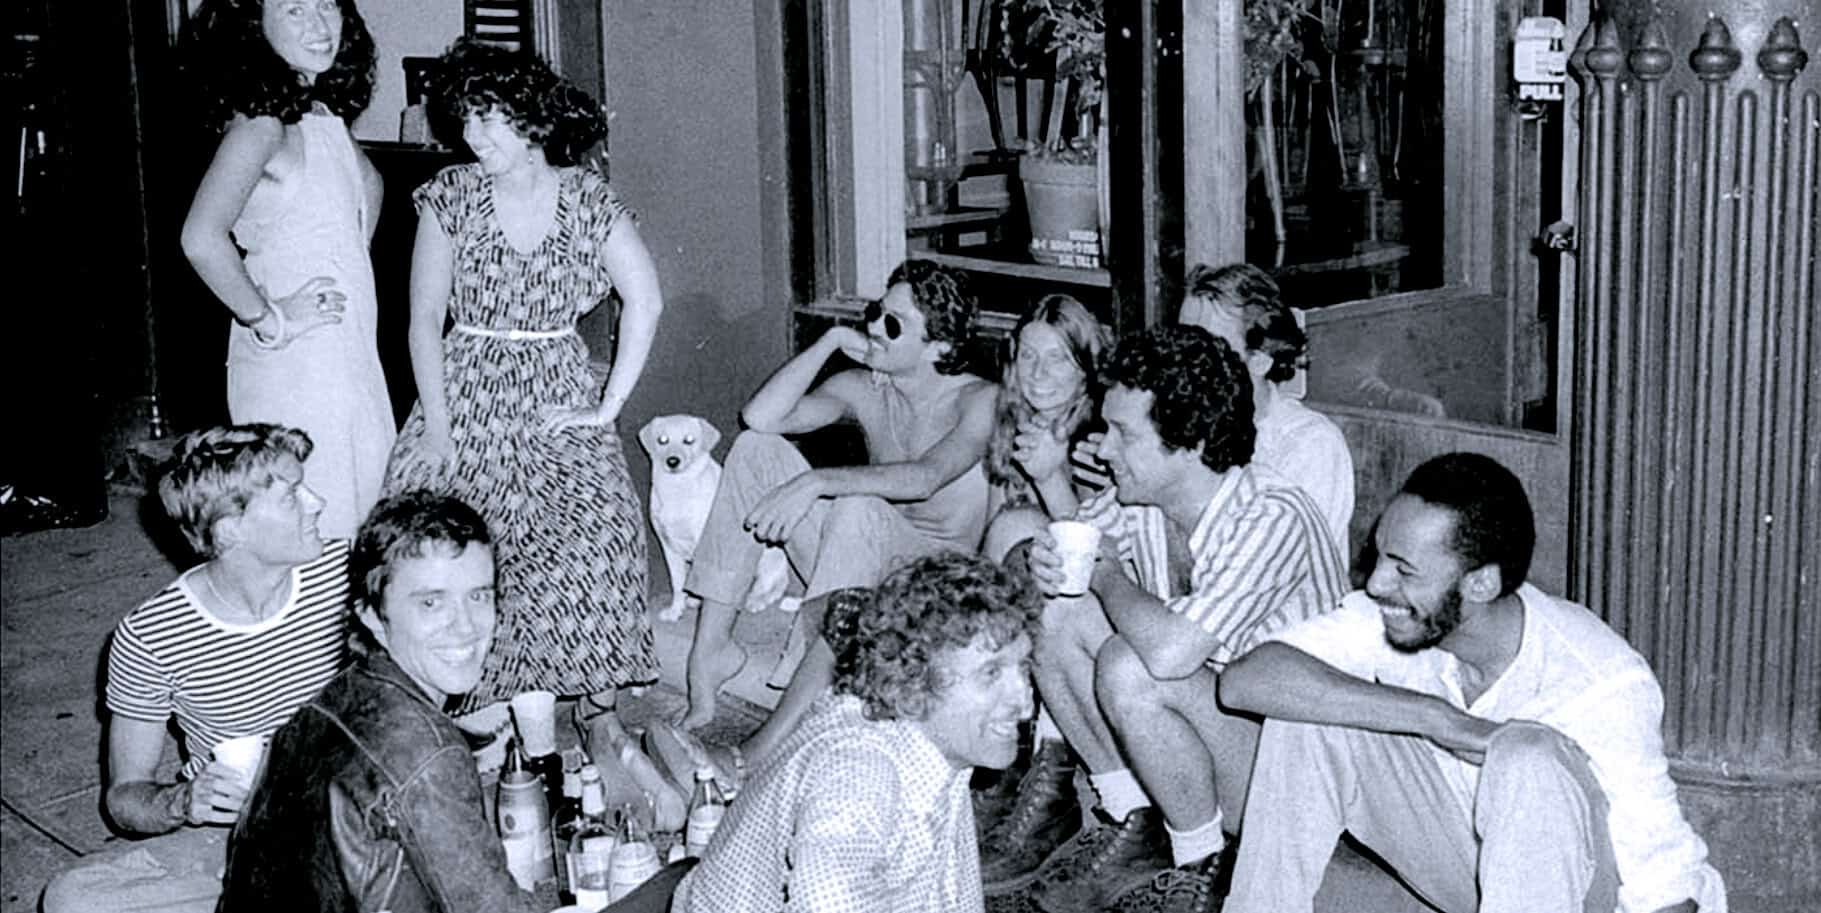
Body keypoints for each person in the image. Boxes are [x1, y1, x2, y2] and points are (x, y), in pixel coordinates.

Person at [1220, 453, 1727, 913]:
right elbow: (1246, 681)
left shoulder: (1601, 680)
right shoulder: (1397, 616)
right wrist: (1441, 720)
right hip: (1472, 875)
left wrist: (1498, 739)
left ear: (1480, 584)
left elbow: (1666, 886)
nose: (1376, 583)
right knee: (1316, 707)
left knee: (1525, 753)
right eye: (1378, 557)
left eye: (1404, 569)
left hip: (1584, 896)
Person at [1003, 325, 1348, 913]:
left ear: (1188, 442)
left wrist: (1106, 573)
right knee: (1057, 606)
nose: (1104, 448)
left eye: (1123, 434)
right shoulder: (1143, 499)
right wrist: (1031, 562)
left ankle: (1200, 866)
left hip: (1301, 776)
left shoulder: (1272, 515)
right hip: (1217, 746)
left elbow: (1169, 655)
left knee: (1132, 664)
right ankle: (1131, 818)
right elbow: (1061, 564)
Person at [382, 40, 665, 717]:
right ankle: (473, 705)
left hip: (556, 385)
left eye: (491, 117)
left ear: (533, 116)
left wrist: (604, 408)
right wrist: (441, 428)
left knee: (601, 533)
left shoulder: (588, 198)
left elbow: (646, 300)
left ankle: (595, 715)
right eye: (466, 120)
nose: (475, 136)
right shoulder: (450, 194)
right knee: (449, 540)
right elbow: (422, 321)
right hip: (464, 384)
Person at [679, 259, 997, 751]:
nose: (874, 329)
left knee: (857, 505)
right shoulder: (868, 386)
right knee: (754, 449)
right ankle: (711, 652)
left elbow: (927, 478)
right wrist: (828, 343)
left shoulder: (977, 399)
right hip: (860, 566)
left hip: (934, 585)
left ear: (941, 346)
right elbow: (760, 416)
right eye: (874, 312)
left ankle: (797, 704)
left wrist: (816, 484)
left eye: (893, 324)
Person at [42, 424, 351, 913]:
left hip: (355, 816)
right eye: (292, 495)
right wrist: (185, 801)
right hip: (239, 838)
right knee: (72, 900)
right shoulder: (152, 635)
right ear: (230, 530)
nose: (317, 502)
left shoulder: (345, 574)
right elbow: (124, 797)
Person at [217, 490, 545, 913]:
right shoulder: (429, 753)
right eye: (431, 601)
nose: (465, 626)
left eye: (479, 595)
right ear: (372, 614)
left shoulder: (324, 704)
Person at [672, 552, 1040, 913]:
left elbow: (948, 893)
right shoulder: (857, 777)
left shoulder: (938, 745)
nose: (1024, 704)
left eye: (1023, 668)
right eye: (991, 673)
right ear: (912, 684)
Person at [179, 0, 394, 542]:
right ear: (255, 28)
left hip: (347, 350)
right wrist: (270, 317)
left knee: (364, 509)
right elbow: (200, 238)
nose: (320, 26)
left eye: (327, 5)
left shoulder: (321, 116)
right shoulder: (261, 126)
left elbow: (353, 205)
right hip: (296, 362)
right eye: (295, 10)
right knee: (314, 521)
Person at [1177, 262, 1354, 549]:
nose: (1184, 360)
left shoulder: (1311, 444)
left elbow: (1274, 567)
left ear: (1260, 360)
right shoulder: (1170, 420)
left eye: (1207, 347)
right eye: (1181, 340)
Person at [979, 292, 1113, 561]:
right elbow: (991, 531)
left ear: (1085, 366)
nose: (1038, 373)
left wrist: (1050, 476)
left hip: (1086, 579)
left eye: (1057, 358)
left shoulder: (1100, 440)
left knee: (1017, 523)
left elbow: (1098, 552)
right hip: (1024, 576)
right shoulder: (1013, 419)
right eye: (1028, 355)